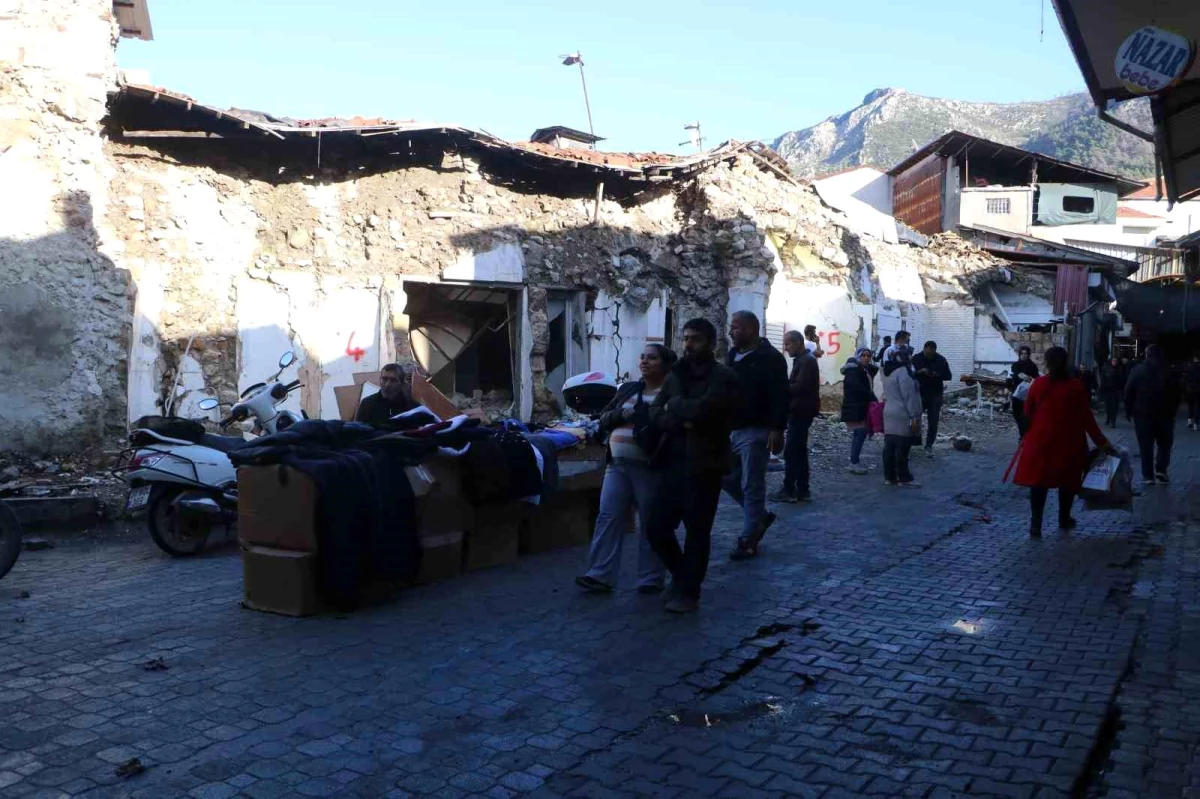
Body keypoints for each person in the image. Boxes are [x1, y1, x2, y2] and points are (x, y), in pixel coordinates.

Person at [645, 318, 740, 613]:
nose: (688, 344)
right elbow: (654, 410)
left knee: (697, 532)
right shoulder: (676, 373)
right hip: (671, 462)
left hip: (705, 465)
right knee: (656, 528)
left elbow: (707, 412)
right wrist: (679, 416)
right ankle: (683, 577)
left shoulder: (723, 376)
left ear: (710, 343)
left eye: (695, 339)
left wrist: (678, 408)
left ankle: (689, 594)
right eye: (685, 338)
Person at [575, 345, 674, 595]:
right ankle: (599, 575)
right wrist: (626, 413)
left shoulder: (672, 393)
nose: (645, 361)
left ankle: (651, 578)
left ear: (665, 364)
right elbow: (605, 417)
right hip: (617, 465)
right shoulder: (629, 389)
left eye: (652, 358)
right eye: (642, 357)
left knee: (650, 522)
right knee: (608, 517)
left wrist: (648, 417)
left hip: (651, 466)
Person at [1013, 346, 1111, 538]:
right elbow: (1086, 419)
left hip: (1040, 440)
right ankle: (1064, 518)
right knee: (1067, 482)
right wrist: (1102, 443)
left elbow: (1027, 412)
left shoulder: (1039, 384)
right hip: (1069, 441)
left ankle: (1036, 525)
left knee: (1038, 483)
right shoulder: (1075, 386)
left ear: (1047, 362)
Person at [724, 311, 789, 561]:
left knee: (752, 483)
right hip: (732, 428)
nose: (731, 332)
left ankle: (749, 538)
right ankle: (759, 516)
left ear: (752, 329)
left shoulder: (770, 358)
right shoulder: (733, 356)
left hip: (757, 429)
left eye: (736, 327)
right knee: (725, 476)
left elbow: (780, 395)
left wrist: (777, 428)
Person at [770, 330, 820, 504]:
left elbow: (799, 387)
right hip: (801, 410)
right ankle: (802, 489)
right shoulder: (804, 360)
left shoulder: (807, 361)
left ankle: (789, 489)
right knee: (799, 451)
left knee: (792, 451)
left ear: (799, 342)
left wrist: (781, 388)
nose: (786, 347)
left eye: (788, 344)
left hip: (801, 411)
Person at [1125, 345, 1182, 484]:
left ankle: (1148, 475)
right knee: (1164, 444)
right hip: (1165, 415)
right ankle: (1161, 470)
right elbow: (1178, 393)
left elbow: (1128, 391)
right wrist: (1173, 410)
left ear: (1147, 355)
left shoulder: (1137, 371)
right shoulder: (1169, 371)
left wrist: (1128, 410)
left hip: (1143, 415)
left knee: (1145, 446)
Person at [881, 345, 923, 487]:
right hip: (902, 413)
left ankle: (889, 477)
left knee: (889, 447)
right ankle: (904, 478)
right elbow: (910, 396)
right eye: (908, 355)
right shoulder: (904, 372)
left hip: (889, 411)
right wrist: (915, 416)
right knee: (902, 447)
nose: (911, 357)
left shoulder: (886, 371)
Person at [841, 347, 878, 475]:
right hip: (855, 407)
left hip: (859, 406)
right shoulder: (853, 370)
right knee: (860, 434)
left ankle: (854, 461)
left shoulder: (862, 369)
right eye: (864, 356)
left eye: (869, 356)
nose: (867, 358)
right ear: (858, 356)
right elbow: (857, 388)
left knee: (859, 434)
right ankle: (854, 462)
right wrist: (871, 397)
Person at [911, 340, 952, 455]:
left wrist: (936, 374)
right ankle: (914, 442)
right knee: (915, 418)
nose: (929, 355)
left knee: (933, 420)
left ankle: (929, 445)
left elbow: (948, 375)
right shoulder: (916, 358)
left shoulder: (941, 360)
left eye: (931, 354)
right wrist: (920, 372)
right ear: (924, 349)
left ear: (935, 351)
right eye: (927, 353)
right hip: (919, 392)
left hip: (935, 393)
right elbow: (909, 373)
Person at [1009, 346, 1039, 438]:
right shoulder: (1015, 365)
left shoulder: (1032, 366)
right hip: (1016, 394)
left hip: (1027, 395)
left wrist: (1030, 379)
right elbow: (1010, 377)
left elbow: (1037, 379)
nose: (1024, 356)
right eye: (1022, 354)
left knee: (1025, 414)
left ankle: (1024, 435)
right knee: (1016, 414)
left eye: (1026, 354)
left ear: (1028, 355)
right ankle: (1022, 433)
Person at [1099, 357, 1127, 429]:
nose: (1114, 362)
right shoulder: (1106, 368)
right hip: (1108, 390)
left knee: (1114, 407)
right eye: (1113, 360)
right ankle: (1108, 418)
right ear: (1111, 361)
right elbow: (1103, 379)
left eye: (1116, 361)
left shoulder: (1119, 369)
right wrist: (1102, 389)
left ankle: (1113, 421)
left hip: (1115, 391)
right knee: (1108, 406)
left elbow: (1122, 380)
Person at [1185, 354, 1200, 430]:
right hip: (1198, 389)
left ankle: (1189, 421)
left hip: (1189, 389)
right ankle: (1196, 424)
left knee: (1190, 405)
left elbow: (1185, 378)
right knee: (1197, 406)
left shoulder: (1189, 367)